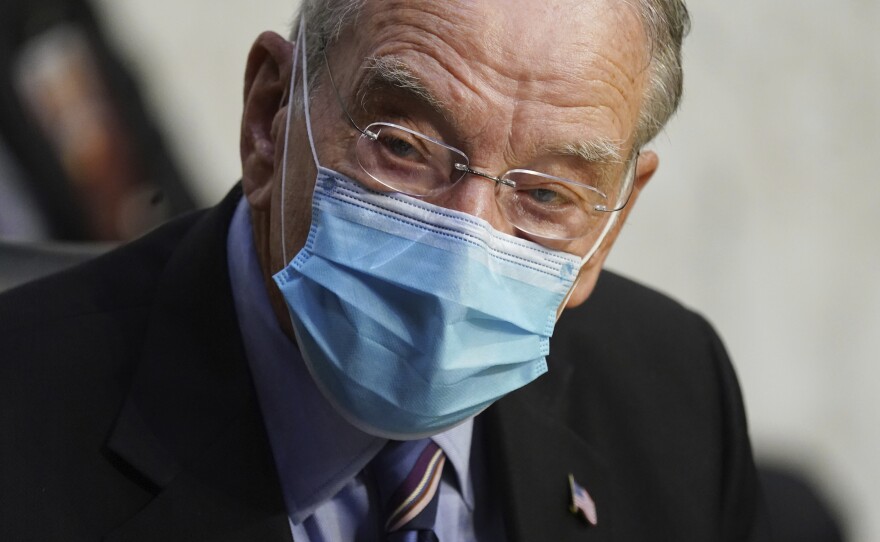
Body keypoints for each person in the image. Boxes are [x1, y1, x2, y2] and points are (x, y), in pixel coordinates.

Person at [0, 0, 770, 540]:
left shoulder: (675, 398)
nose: (466, 243)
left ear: (612, 224)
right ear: (271, 116)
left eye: (544, 194)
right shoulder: (24, 420)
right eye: (403, 146)